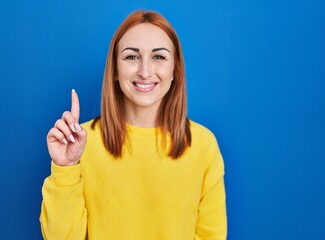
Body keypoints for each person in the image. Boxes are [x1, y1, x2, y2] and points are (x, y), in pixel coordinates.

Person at [40, 10, 227, 240]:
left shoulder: (203, 144)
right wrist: (66, 166)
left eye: (159, 57)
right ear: (115, 70)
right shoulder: (80, 142)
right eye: (131, 57)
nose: (145, 71)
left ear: (175, 70)